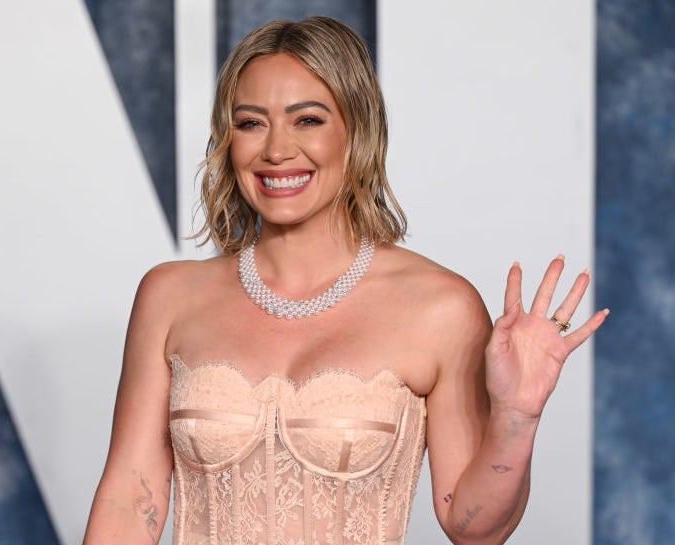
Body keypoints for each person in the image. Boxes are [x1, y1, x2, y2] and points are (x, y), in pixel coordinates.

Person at [83, 16, 608, 545]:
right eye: (250, 122)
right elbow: (130, 499)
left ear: (356, 130)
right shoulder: (170, 295)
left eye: (307, 120)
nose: (276, 150)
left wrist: (516, 417)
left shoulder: (440, 307)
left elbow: (472, 526)